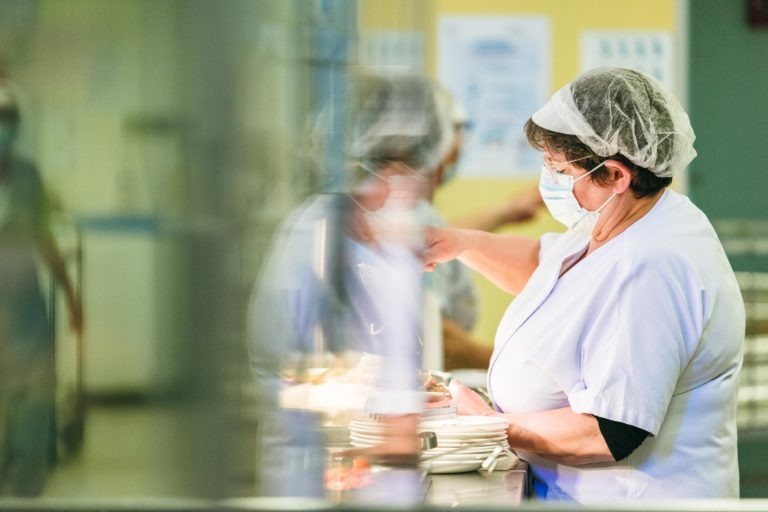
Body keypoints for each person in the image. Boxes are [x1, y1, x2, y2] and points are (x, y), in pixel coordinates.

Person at [423, 67, 745, 500]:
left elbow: (612, 431)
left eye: (558, 169)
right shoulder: (617, 216)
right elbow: (549, 272)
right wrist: (458, 243)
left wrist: (486, 426)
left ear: (615, 175)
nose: (549, 181)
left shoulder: (654, 265)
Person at [0, 82, 82, 496]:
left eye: (8, 121)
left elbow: (45, 241)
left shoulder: (29, 177)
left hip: (25, 310)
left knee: (31, 403)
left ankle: (28, 479)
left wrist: (70, 295)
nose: (3, 129)